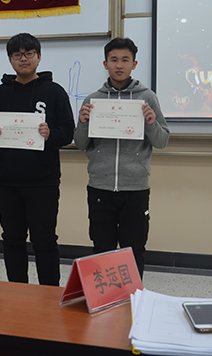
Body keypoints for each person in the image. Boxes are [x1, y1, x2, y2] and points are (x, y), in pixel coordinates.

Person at [74, 38, 169, 278]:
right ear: (105, 64)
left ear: (134, 64)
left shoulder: (147, 97)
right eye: (113, 59)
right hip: (100, 187)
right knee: (101, 249)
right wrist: (83, 122)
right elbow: (81, 144)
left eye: (125, 60)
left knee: (134, 250)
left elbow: (162, 141)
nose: (119, 65)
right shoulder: (93, 100)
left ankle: (133, 297)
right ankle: (103, 296)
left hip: (135, 189)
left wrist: (151, 123)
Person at [0, 33, 74, 286]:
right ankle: (17, 292)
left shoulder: (55, 92)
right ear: (10, 59)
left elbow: (68, 131)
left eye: (29, 53)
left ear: (39, 56)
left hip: (42, 181)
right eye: (17, 55)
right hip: (5, 181)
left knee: (44, 240)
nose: (23, 59)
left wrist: (50, 134)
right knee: (12, 239)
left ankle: (49, 294)